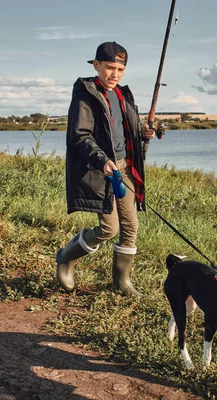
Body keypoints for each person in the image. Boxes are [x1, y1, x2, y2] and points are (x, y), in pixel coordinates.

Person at [55, 41, 155, 296]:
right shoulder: (85, 92)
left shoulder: (123, 94)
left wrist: (144, 132)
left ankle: (121, 283)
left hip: (126, 168)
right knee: (110, 229)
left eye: (120, 70)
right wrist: (103, 161)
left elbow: (124, 130)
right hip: (100, 168)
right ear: (96, 65)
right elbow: (79, 135)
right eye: (110, 67)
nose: (115, 74)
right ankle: (66, 257)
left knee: (130, 227)